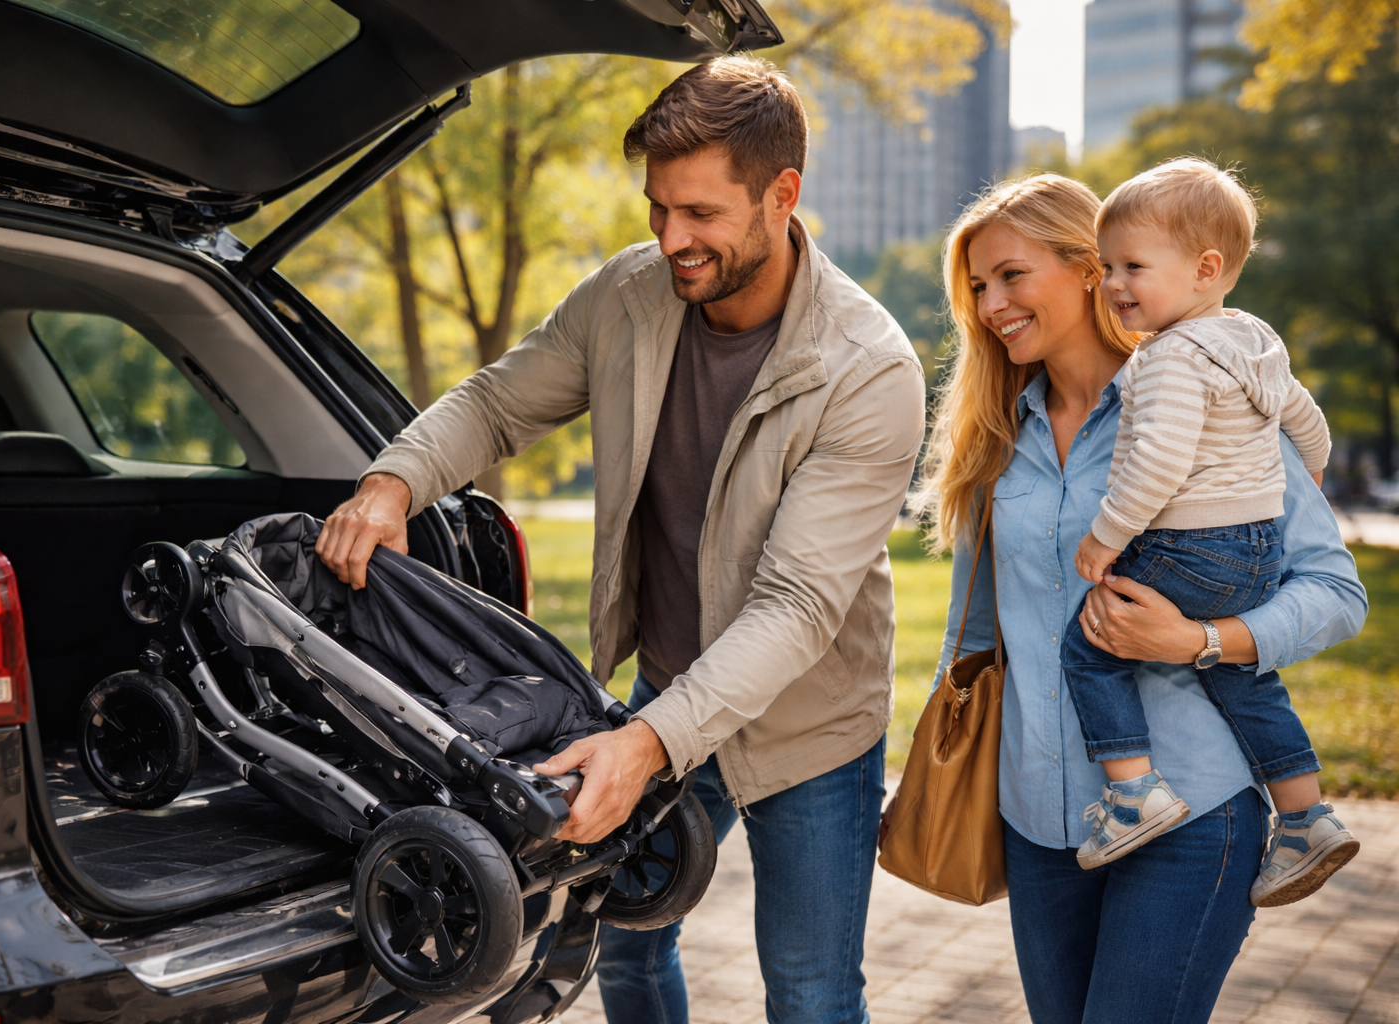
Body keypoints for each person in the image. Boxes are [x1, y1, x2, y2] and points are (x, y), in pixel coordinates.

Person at [316, 55, 926, 1024]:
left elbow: (798, 607)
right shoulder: (630, 297)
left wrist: (645, 743)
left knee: (810, 993)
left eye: (701, 214)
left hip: (810, 725)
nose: (671, 238)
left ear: (783, 194)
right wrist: (394, 483)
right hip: (669, 689)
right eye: (657, 207)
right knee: (625, 950)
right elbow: (495, 402)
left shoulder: (866, 368)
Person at [913, 173, 1366, 1023]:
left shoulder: (1210, 397)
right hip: (1043, 822)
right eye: (976, 287)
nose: (989, 305)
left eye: (1011, 275)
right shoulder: (995, 439)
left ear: (1092, 269)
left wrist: (1200, 640)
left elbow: (1338, 594)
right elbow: (973, 634)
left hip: (1194, 813)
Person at [1059, 158, 1359, 903]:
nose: (1114, 284)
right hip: (1254, 551)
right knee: (1246, 677)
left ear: (1205, 268)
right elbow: (1304, 421)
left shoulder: (1168, 356)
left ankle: (1134, 795)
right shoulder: (1252, 340)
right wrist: (1308, 474)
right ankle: (1304, 819)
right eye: (1107, 266)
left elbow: (1157, 462)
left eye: (1133, 266)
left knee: (1091, 648)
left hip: (1189, 545)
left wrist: (1104, 535)